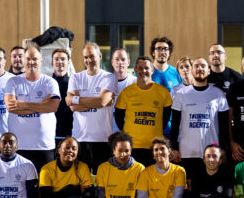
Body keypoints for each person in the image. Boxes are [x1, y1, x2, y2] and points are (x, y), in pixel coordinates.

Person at [170, 57, 230, 181]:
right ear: (192, 71)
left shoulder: (218, 94)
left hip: (212, 155)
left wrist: (223, 149)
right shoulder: (181, 94)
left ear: (209, 71)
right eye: (196, 66)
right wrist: (174, 148)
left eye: (203, 66)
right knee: (189, 191)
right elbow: (175, 124)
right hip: (187, 153)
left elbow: (224, 126)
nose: (199, 69)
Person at [4, 45, 62, 169]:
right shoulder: (12, 82)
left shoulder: (50, 82)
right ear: (24, 60)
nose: (31, 62)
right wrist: (42, 105)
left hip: (44, 146)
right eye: (28, 59)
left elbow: (53, 106)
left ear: (41, 60)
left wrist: (22, 104)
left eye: (34, 59)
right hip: (19, 146)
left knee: (44, 186)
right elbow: (11, 107)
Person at [67, 42, 118, 172]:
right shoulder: (76, 77)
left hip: (103, 139)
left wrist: (76, 100)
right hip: (80, 139)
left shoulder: (109, 77)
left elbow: (101, 101)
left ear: (99, 56)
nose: (89, 60)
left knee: (101, 183)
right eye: (85, 57)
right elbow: (73, 107)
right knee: (81, 183)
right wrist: (95, 101)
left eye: (92, 56)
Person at [114, 57, 173, 166]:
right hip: (132, 146)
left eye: (146, 68)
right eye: (140, 68)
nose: (143, 71)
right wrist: (129, 133)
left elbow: (165, 117)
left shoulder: (163, 92)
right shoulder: (126, 93)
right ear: (135, 70)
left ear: (152, 70)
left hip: (154, 146)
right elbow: (118, 117)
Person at [51, 47, 74, 141]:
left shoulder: (74, 84)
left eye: (63, 59)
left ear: (68, 62)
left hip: (69, 133)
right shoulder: (46, 83)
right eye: (56, 59)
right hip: (50, 133)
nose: (59, 62)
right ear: (52, 62)